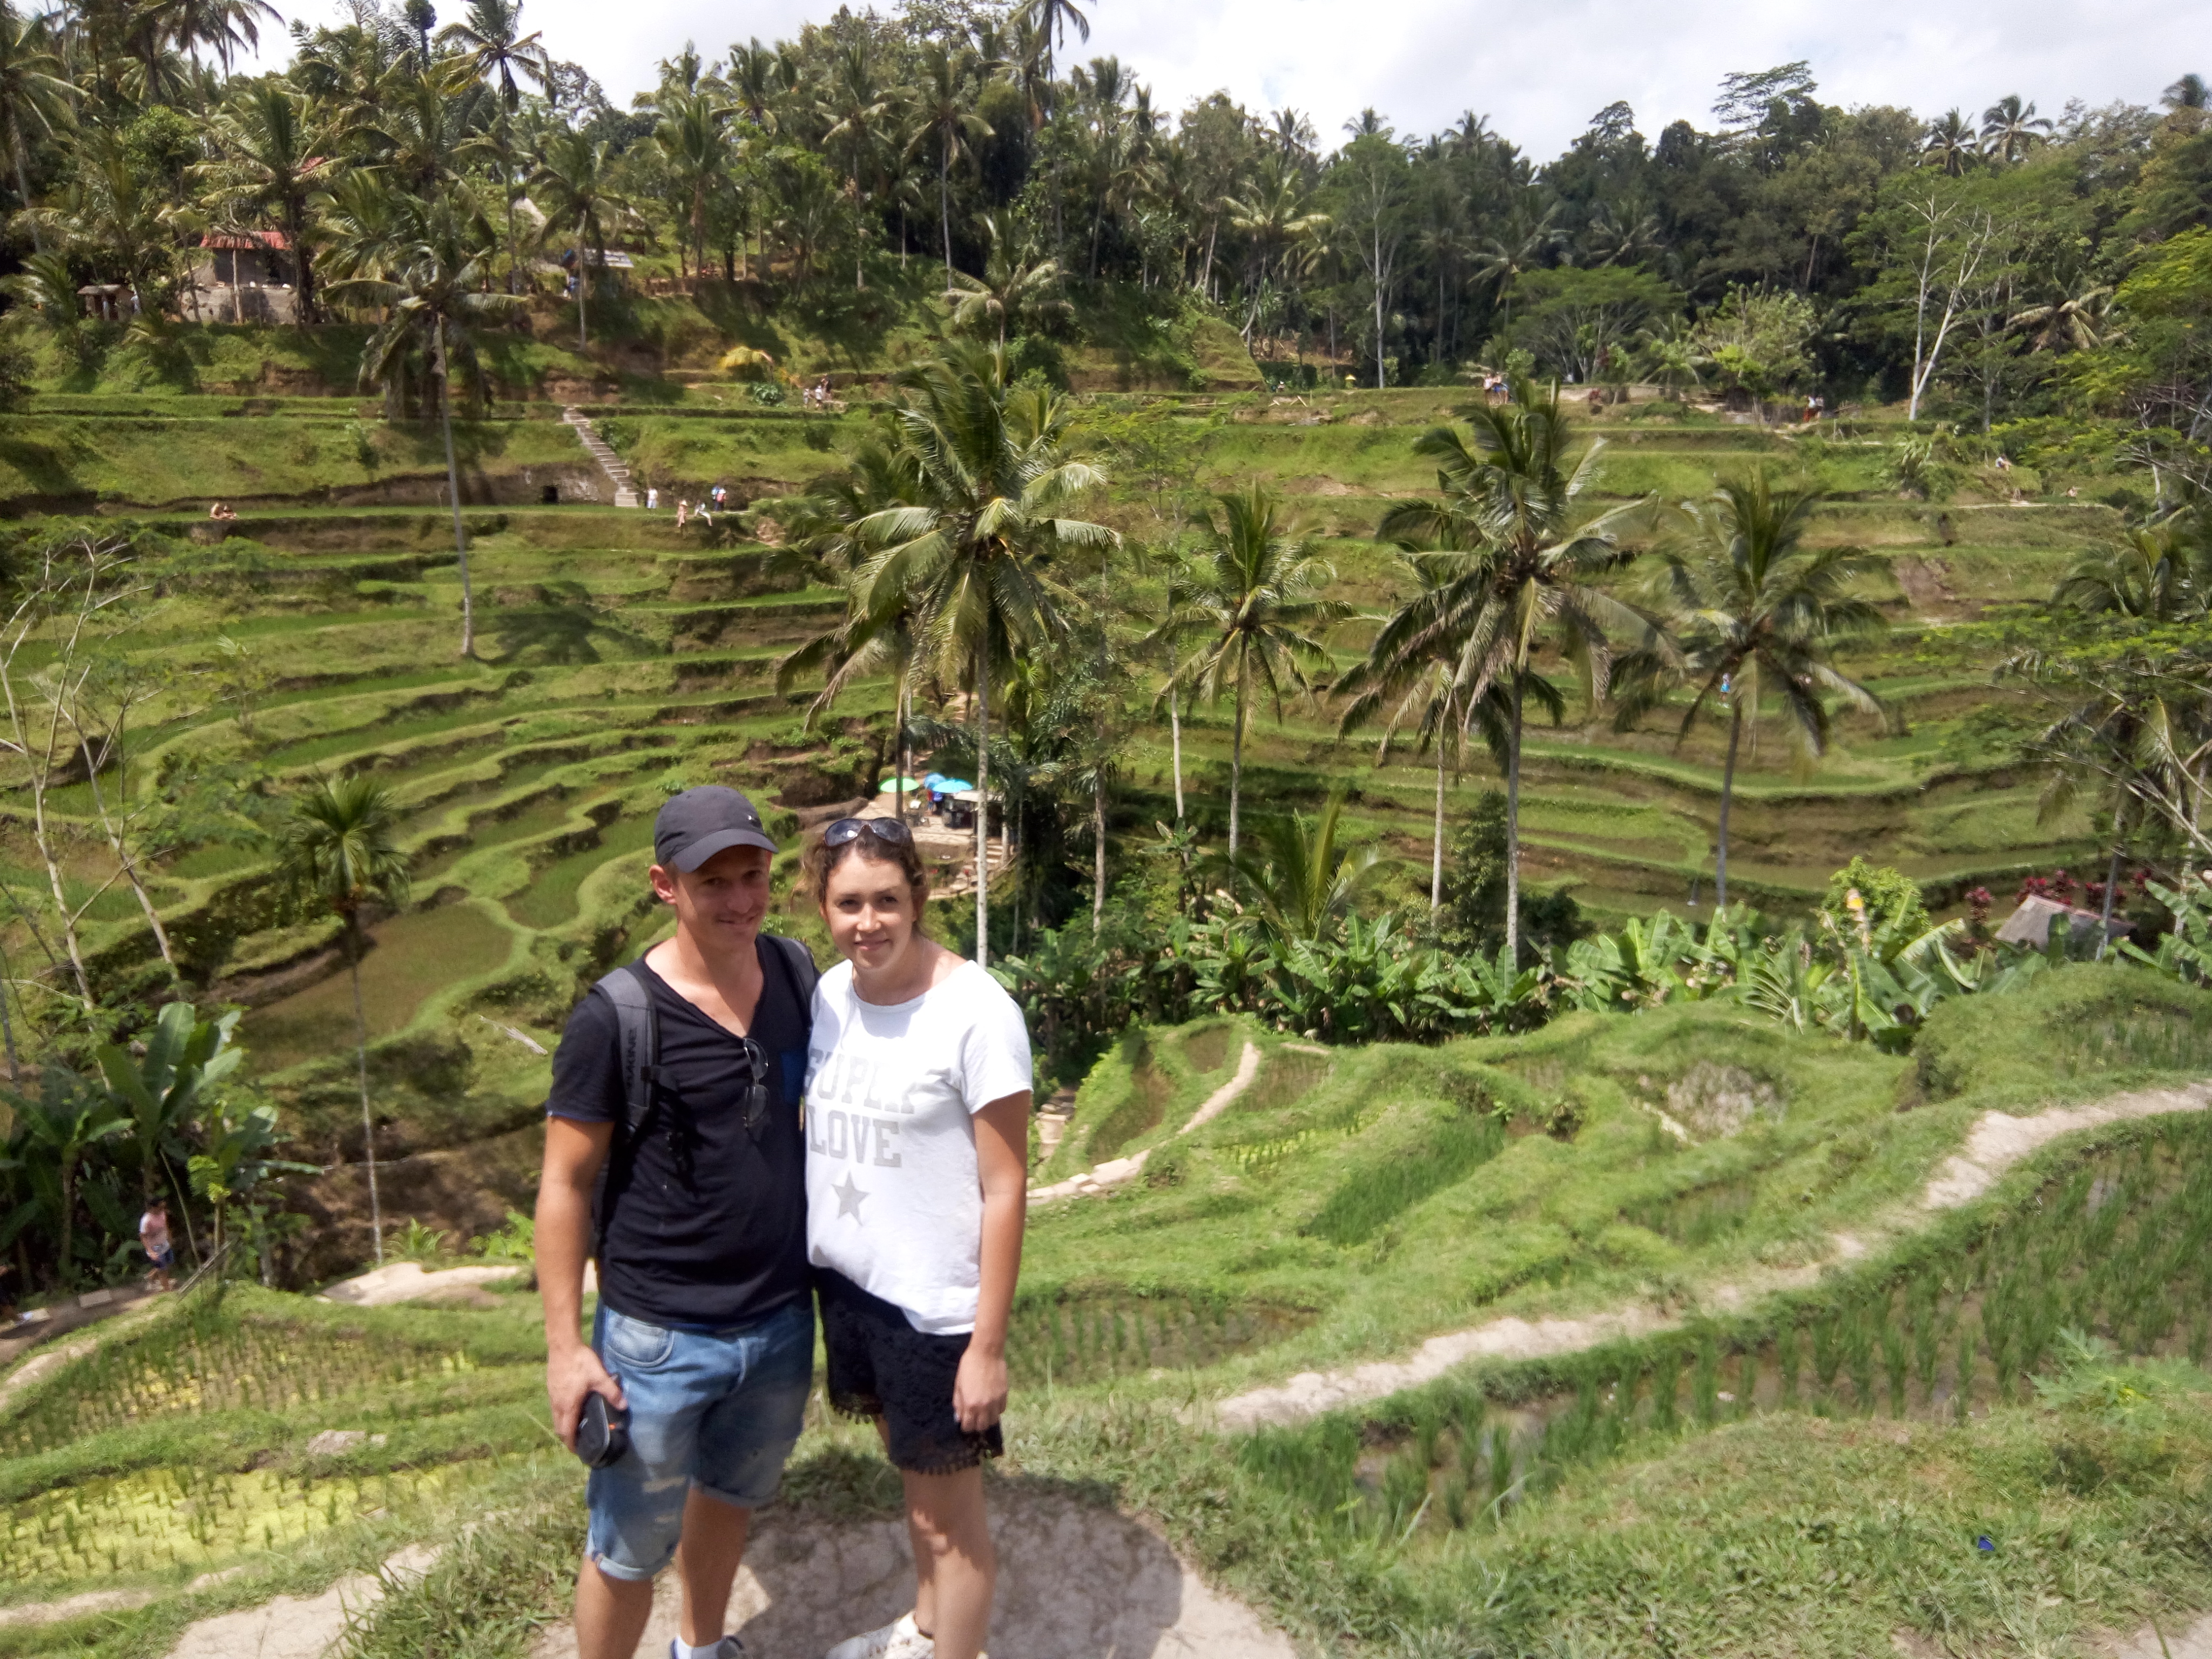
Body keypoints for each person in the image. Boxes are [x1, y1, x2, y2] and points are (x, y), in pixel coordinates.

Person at [537, 786, 818, 1659]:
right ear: (665, 885)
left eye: (752, 874)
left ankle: (701, 1647)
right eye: (713, 882)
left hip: (777, 1321)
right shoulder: (615, 1016)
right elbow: (564, 1183)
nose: (739, 899)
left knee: (731, 1494)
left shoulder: (800, 975)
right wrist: (563, 1346)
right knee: (627, 1548)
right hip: (657, 1338)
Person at [802, 818, 1032, 1659]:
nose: (870, 922)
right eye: (849, 903)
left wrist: (987, 1345)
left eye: (888, 901)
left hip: (935, 1310)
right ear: (823, 909)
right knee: (916, 1480)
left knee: (952, 1524)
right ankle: (926, 1628)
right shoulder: (829, 997)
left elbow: (1006, 1187)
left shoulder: (975, 1013)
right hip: (858, 1291)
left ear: (919, 900)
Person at [139, 1199, 175, 1292]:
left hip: (165, 1244)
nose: (162, 1208)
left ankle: (151, 1276)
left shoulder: (162, 1213)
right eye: (160, 1206)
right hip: (155, 1248)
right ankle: (167, 1291)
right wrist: (151, 1252)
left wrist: (170, 1238)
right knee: (162, 1270)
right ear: (154, 1207)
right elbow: (143, 1236)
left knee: (168, 1264)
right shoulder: (146, 1220)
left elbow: (165, 1226)